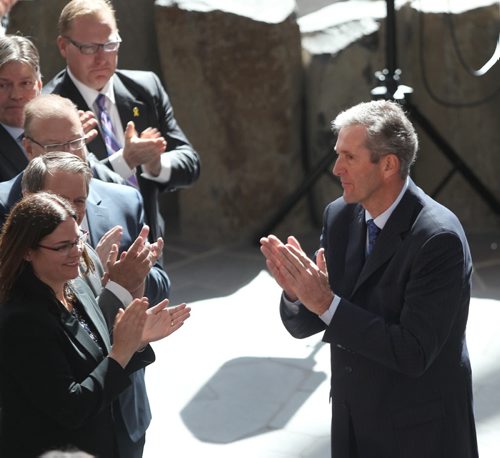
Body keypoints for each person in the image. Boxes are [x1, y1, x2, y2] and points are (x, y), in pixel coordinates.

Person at [260, 100, 478, 458]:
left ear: (389, 164)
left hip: (421, 434)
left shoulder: (439, 239)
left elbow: (413, 352)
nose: (335, 168)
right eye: (337, 155)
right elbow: (313, 323)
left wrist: (325, 303)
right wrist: (298, 295)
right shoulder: (340, 217)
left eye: (349, 157)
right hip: (354, 425)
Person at [0, 152, 171, 457]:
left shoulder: (74, 285)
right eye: (62, 246)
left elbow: (102, 356)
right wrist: (121, 351)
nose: (76, 253)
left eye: (78, 241)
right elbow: (72, 406)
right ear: (27, 251)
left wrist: (136, 341)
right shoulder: (21, 318)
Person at [44, 0, 201, 242]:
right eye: (89, 48)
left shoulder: (146, 88)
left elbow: (190, 163)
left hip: (149, 241)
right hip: (87, 248)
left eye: (110, 45)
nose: (101, 58)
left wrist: (156, 163)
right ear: (64, 46)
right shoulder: (50, 109)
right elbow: (56, 189)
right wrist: (125, 161)